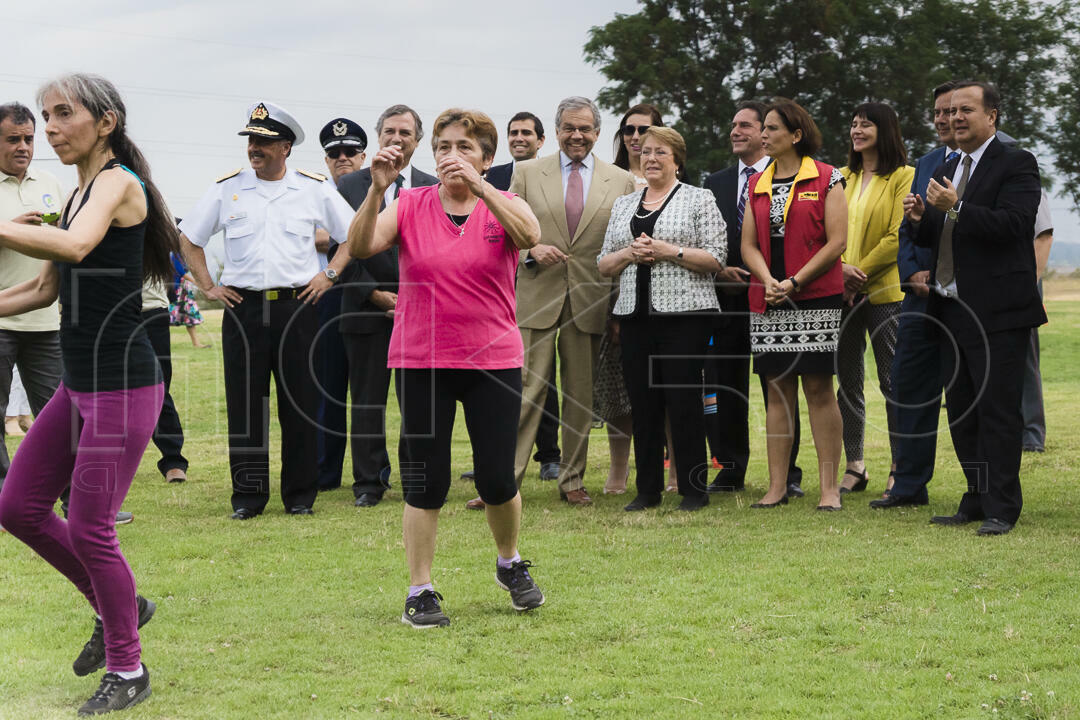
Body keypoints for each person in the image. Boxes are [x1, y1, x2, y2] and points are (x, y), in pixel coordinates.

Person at [0, 73, 176, 715]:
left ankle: (128, 667)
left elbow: (74, 246)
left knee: (94, 528)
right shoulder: (76, 194)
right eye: (45, 116)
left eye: (62, 114)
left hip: (123, 386)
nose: (49, 128)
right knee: (17, 507)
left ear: (105, 122)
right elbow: (43, 291)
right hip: (79, 386)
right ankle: (120, 606)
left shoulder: (117, 184)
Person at [348, 108, 545, 627]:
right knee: (426, 479)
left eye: (463, 147)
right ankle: (421, 589)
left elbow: (529, 237)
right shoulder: (409, 204)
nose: (450, 156)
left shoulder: (504, 205)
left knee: (497, 477)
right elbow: (362, 246)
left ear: (486, 156)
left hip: (493, 359)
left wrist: (481, 189)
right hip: (421, 359)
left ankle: (510, 563)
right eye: (442, 147)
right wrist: (376, 191)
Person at [179, 100, 356, 519]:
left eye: (264, 141)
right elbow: (189, 237)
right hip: (244, 308)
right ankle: (248, 498)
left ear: (287, 147)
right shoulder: (227, 188)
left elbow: (353, 235)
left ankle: (299, 497)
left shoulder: (313, 188)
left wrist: (328, 274)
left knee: (300, 403)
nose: (254, 147)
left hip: (297, 307)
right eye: (251, 140)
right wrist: (208, 285)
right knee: (246, 406)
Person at [903, 80, 1044, 535]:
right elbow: (943, 238)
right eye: (952, 110)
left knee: (998, 410)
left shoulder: (1016, 163)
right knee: (962, 408)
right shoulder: (948, 164)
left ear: (992, 116)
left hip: (998, 311)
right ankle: (977, 497)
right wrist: (923, 219)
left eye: (967, 109)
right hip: (949, 308)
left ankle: (1003, 506)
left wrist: (957, 206)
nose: (956, 117)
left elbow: (1015, 226)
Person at [511, 96, 636, 506]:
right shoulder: (527, 172)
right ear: (558, 130)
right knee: (527, 391)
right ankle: (505, 482)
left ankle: (572, 481)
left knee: (580, 397)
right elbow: (505, 231)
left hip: (591, 301)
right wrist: (532, 251)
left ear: (598, 133)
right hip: (536, 295)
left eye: (585, 129)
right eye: (569, 128)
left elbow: (623, 244)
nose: (576, 135)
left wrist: (619, 307)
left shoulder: (620, 181)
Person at [597, 127, 725, 511]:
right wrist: (628, 255)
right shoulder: (625, 205)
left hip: (685, 316)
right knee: (642, 403)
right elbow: (604, 263)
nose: (651, 158)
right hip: (635, 317)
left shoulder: (699, 199)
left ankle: (692, 489)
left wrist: (669, 250)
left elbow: (716, 258)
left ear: (677, 160)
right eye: (646, 152)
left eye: (660, 152)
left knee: (683, 401)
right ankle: (647, 489)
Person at [741, 98, 847, 511]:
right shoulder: (757, 184)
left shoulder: (827, 177)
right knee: (776, 391)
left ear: (796, 135)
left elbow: (837, 242)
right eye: (762, 128)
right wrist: (768, 280)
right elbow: (748, 244)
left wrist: (795, 281)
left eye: (770, 128)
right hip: (769, 298)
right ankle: (776, 487)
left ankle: (829, 489)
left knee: (819, 388)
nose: (763, 135)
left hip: (816, 297)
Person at [336, 105, 438, 508]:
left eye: (406, 133)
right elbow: (338, 251)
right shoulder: (349, 186)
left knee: (418, 401)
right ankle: (368, 483)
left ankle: (417, 479)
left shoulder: (433, 186)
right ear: (378, 136)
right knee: (366, 400)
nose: (397, 139)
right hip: (364, 307)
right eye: (390, 131)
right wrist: (374, 294)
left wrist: (412, 298)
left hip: (420, 311)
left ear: (418, 141)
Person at [702, 100, 805, 497]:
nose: (735, 132)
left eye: (745, 125)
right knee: (725, 387)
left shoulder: (789, 177)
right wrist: (718, 271)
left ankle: (788, 475)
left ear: (766, 132)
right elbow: (706, 236)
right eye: (733, 125)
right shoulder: (717, 182)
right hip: (726, 302)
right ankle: (730, 469)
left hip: (776, 296)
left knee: (779, 388)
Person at [464, 111, 560, 509]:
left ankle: (553, 458)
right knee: (523, 384)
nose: (519, 138)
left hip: (571, 284)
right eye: (513, 133)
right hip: (516, 289)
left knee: (554, 388)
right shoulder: (499, 174)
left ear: (541, 140)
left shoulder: (551, 174)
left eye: (527, 133)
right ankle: (498, 471)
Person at [871, 81, 958, 510]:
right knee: (907, 388)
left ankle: (981, 488)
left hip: (965, 298)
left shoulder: (1000, 160)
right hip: (920, 299)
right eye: (939, 112)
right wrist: (912, 272)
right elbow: (909, 227)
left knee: (967, 396)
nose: (944, 119)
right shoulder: (928, 162)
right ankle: (908, 486)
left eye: (952, 111)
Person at [836, 103, 914, 496]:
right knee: (847, 382)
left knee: (891, 381)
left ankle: (901, 467)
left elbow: (895, 236)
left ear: (885, 129)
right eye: (853, 124)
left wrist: (856, 275)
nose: (857, 129)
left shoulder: (905, 176)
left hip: (884, 293)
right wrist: (841, 273)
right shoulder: (840, 176)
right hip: (841, 293)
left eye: (865, 123)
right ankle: (855, 465)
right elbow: (827, 232)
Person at [594, 103, 665, 496]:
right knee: (618, 389)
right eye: (629, 130)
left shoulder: (677, 182)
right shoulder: (611, 180)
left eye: (644, 130)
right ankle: (619, 470)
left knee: (666, 386)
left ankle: (670, 470)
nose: (636, 137)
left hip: (668, 301)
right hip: (613, 297)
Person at [0, 101, 64, 487]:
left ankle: (77, 502)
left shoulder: (51, 184)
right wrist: (9, 229)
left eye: (28, 139)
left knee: (61, 416)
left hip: (45, 322)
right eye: (12, 139)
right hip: (1, 319)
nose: (23, 146)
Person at [313, 117, 367, 492]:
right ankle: (325, 471)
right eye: (334, 153)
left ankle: (372, 473)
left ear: (363, 155)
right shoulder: (312, 192)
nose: (342, 158)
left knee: (370, 393)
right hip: (327, 297)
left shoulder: (374, 192)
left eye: (350, 151)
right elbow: (315, 237)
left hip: (369, 296)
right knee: (327, 387)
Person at [142, 277, 189, 482]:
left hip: (151, 308)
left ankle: (173, 460)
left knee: (158, 388)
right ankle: (104, 459)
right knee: (106, 388)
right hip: (108, 308)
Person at [167, 252, 209, 348]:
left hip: (183, 289)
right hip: (177, 290)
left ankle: (196, 343)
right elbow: (181, 272)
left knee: (189, 316)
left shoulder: (183, 255)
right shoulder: (176, 255)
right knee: (168, 316)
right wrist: (197, 282)